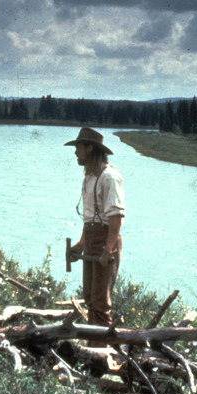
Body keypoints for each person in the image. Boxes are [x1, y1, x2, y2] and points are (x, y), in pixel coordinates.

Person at [65, 127, 125, 329]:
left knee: (100, 302)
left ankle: (102, 351)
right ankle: (93, 346)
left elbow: (115, 218)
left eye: (78, 148)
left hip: (105, 241)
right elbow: (90, 218)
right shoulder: (89, 177)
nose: (76, 152)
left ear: (90, 148)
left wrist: (108, 249)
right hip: (92, 239)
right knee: (90, 298)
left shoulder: (109, 177)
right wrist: (81, 244)